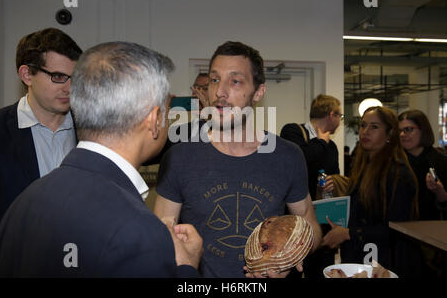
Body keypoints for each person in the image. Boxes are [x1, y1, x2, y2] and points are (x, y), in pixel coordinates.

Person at [0, 42, 202, 277]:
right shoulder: (139, 231)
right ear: (154, 120)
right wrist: (186, 268)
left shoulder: (25, 203)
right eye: (167, 109)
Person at [153, 41, 322, 278]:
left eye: (235, 81)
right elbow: (161, 235)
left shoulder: (288, 156)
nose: (220, 92)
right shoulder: (179, 158)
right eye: (214, 80)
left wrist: (290, 257)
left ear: (259, 92)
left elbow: (309, 224)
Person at [0, 28, 82, 228]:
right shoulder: (0, 131)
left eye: (75, 78)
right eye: (59, 77)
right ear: (27, 75)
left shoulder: (93, 128)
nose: (69, 88)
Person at [322, 106, 419, 277]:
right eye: (363, 125)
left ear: (389, 134)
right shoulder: (363, 167)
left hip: (386, 262)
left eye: (374, 127)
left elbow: (397, 228)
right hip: (361, 258)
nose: (365, 131)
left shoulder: (398, 174)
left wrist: (347, 233)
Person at [280, 94, 342, 200]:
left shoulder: (331, 146)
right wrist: (321, 141)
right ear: (332, 116)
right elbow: (302, 159)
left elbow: (335, 175)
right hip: (295, 206)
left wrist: (333, 182)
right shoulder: (292, 131)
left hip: (322, 206)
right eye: (340, 116)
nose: (340, 121)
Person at [398, 109, 447, 220]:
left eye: (408, 129)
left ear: (423, 130)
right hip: (398, 229)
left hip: (431, 228)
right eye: (399, 130)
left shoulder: (441, 163)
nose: (402, 134)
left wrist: (439, 192)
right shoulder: (393, 162)